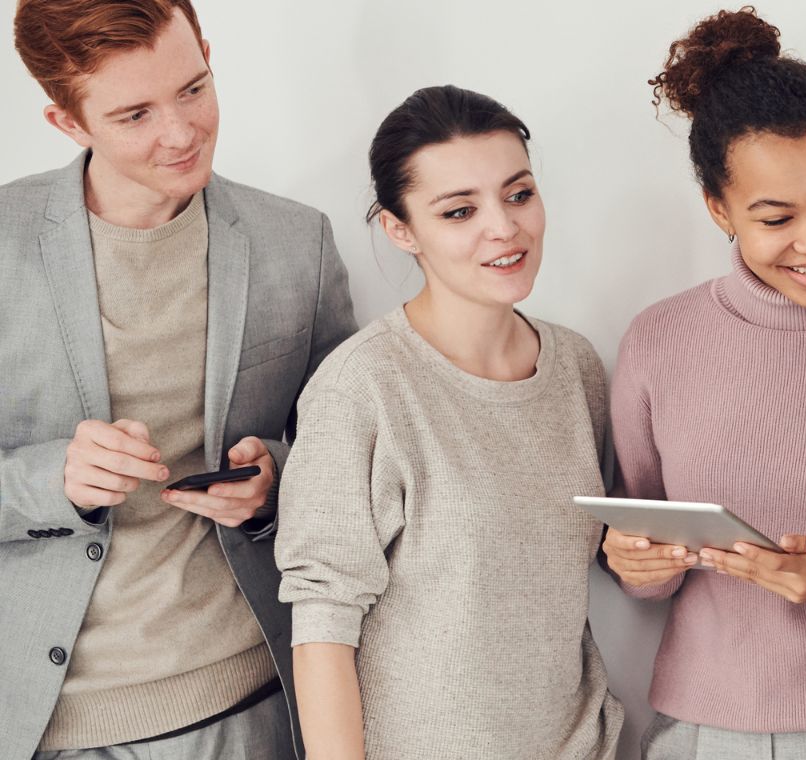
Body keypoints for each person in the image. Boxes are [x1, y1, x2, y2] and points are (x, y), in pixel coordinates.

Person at [2, 0, 356, 756]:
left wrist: (275, 480)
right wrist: (49, 480)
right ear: (67, 122)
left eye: (193, 89)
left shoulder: (298, 243)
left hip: (249, 699)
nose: (181, 131)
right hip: (42, 719)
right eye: (135, 114)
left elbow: (354, 454)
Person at [273, 86, 621, 760]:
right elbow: (321, 628)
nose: (504, 227)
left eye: (518, 194)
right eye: (460, 211)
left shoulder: (577, 368)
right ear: (400, 230)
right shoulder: (361, 388)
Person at [597, 8, 806, 759]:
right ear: (718, 208)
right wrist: (634, 561)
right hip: (705, 732)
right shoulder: (659, 342)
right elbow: (646, 562)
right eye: (776, 217)